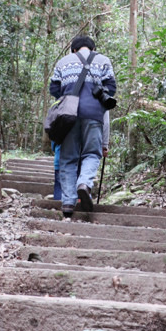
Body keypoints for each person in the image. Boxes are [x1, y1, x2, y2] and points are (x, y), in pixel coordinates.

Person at [49, 35, 116, 217]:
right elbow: (111, 88)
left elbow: (54, 90)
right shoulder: (103, 60)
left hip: (69, 115)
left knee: (68, 158)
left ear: (73, 50)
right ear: (93, 49)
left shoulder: (63, 62)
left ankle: (68, 203)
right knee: (92, 154)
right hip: (94, 115)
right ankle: (84, 183)